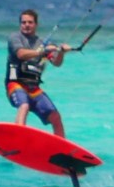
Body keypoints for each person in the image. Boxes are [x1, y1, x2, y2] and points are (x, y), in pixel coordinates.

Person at [5, 9, 73, 138]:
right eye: (24, 22)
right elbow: (21, 54)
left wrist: (61, 52)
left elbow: (56, 62)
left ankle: (61, 145)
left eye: (30, 22)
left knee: (55, 117)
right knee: (24, 105)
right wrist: (43, 51)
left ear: (36, 24)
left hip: (33, 88)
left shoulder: (42, 43)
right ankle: (18, 136)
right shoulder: (15, 38)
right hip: (15, 84)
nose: (26, 25)